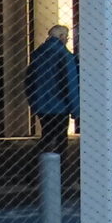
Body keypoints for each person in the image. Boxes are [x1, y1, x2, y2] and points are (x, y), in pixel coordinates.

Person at [26, 24, 77, 156]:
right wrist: (76, 109)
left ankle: (37, 164)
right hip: (60, 106)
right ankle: (56, 169)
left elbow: (29, 81)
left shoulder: (38, 55)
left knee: (47, 135)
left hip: (41, 105)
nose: (67, 40)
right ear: (61, 37)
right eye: (67, 37)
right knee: (60, 140)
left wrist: (34, 102)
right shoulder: (64, 56)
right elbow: (70, 84)